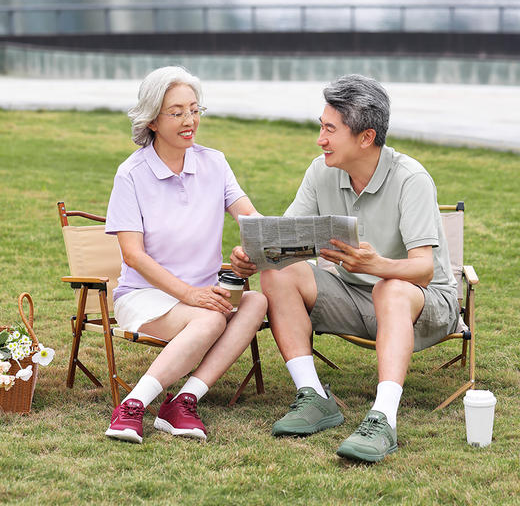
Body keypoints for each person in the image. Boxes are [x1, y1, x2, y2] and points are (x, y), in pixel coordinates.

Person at [231, 74, 459, 462]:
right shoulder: (322, 171)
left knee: (389, 287)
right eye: (322, 126)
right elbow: (285, 241)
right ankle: (314, 397)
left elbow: (423, 270)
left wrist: (378, 265)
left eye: (329, 129)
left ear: (365, 138)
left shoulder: (411, 179)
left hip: (425, 304)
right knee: (276, 272)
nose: (320, 139)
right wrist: (256, 255)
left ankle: (384, 419)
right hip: (355, 296)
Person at [104, 66, 267, 444]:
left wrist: (255, 247)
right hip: (146, 297)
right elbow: (133, 255)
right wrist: (188, 295)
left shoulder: (215, 162)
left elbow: (250, 217)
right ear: (152, 121)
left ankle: (184, 400)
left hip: (204, 294)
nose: (189, 120)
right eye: (176, 112)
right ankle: (132, 406)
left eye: (194, 110)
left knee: (257, 300)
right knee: (211, 319)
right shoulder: (131, 174)